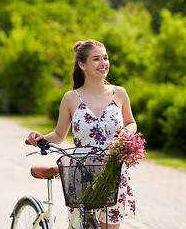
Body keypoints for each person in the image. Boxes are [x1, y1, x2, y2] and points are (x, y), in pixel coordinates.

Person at [26, 39, 137, 229]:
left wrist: (126, 133)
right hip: (82, 172)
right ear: (82, 64)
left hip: (113, 171)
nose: (103, 63)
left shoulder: (119, 93)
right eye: (96, 59)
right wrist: (39, 138)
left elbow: (131, 123)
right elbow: (59, 135)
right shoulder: (71, 98)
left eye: (105, 58)